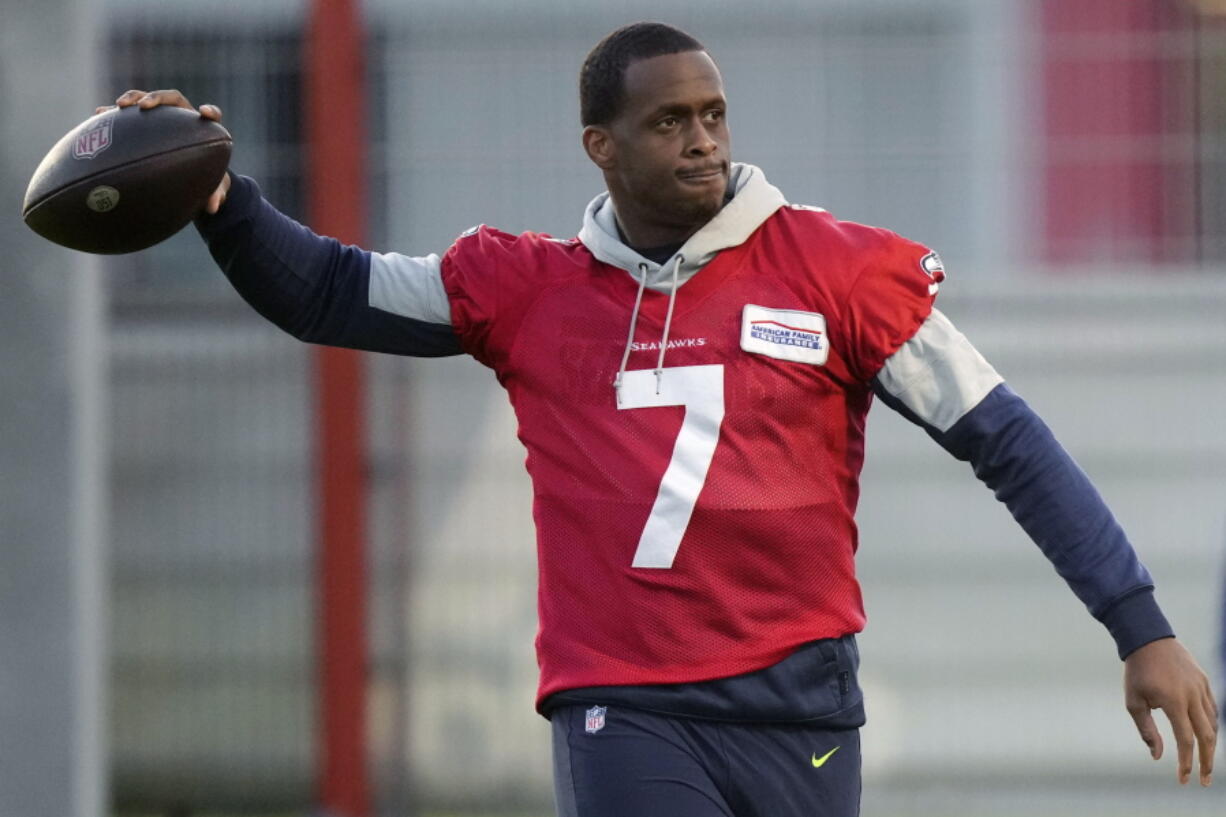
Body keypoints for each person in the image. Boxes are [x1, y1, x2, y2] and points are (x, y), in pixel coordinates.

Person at [105, 21, 1216, 817]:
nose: (701, 140)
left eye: (713, 114)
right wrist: (219, 204)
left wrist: (1138, 623)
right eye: (669, 120)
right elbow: (329, 290)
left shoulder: (836, 273)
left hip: (797, 703)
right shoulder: (525, 287)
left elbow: (1006, 440)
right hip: (622, 705)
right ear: (602, 144)